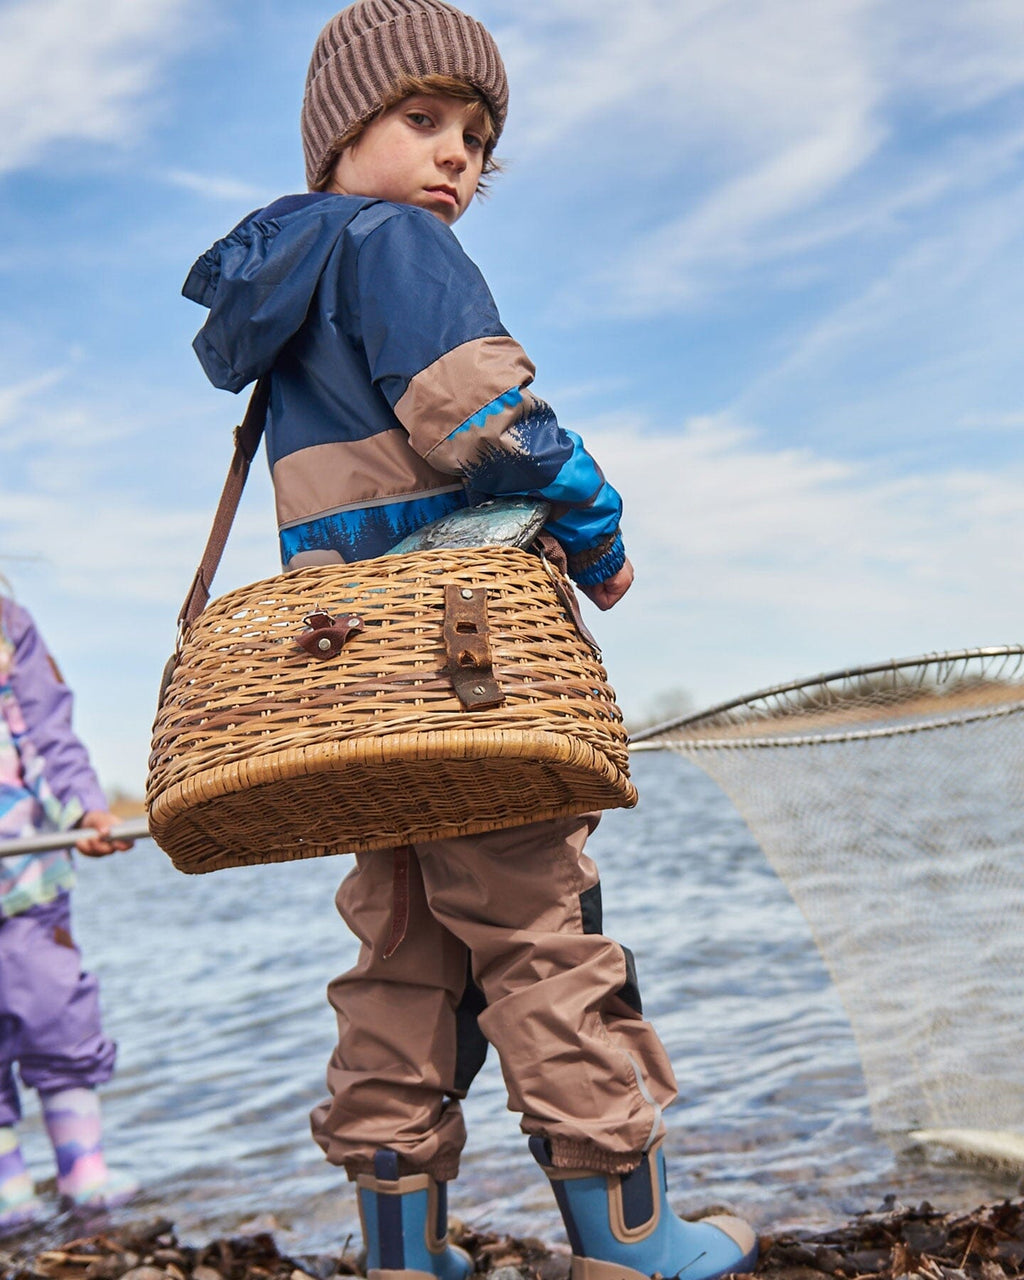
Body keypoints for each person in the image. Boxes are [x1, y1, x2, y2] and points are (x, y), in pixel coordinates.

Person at [183, 3, 757, 1277]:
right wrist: (598, 529)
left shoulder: (288, 294)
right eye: (423, 118)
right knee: (546, 934)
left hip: (358, 692)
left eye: (477, 140)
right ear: (341, 135)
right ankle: (629, 1236)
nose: (456, 154)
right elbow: (482, 419)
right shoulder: (393, 242)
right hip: (464, 671)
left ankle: (402, 1250)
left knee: (400, 958)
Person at [0, 590, 138, 1233]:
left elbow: (47, 733)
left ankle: (85, 1175)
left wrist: (84, 807)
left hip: (27, 880)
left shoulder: (7, 623)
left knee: (58, 1014)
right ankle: (8, 1196)